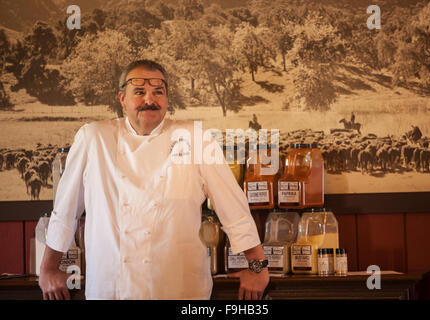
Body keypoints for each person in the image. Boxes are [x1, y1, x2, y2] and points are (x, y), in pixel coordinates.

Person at [38, 60, 269, 300]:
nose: (150, 100)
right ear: (122, 99)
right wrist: (48, 269)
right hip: (112, 287)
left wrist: (258, 268)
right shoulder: (94, 138)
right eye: (139, 92)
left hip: (180, 288)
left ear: (167, 99)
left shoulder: (195, 137)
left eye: (158, 92)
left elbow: (233, 208)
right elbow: (65, 211)